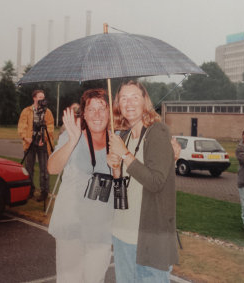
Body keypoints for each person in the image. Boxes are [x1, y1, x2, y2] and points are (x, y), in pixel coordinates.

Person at [107, 80, 179, 283]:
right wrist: (115, 170)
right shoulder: (125, 135)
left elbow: (156, 182)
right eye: (123, 98)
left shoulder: (158, 132)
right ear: (118, 104)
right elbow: (123, 189)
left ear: (145, 101)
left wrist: (125, 154)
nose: (128, 103)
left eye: (134, 97)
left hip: (149, 237)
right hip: (122, 233)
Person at [47, 89, 114, 283]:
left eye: (102, 108)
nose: (97, 114)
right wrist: (72, 141)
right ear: (83, 114)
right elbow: (52, 167)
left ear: (110, 112)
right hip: (71, 223)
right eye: (91, 109)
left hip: (101, 226)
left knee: (95, 279)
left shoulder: (117, 140)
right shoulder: (72, 136)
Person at [17, 89, 54, 202]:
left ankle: (44, 192)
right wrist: (25, 137)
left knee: (44, 169)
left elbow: (50, 126)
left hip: (43, 142)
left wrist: (44, 138)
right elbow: (21, 125)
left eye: (43, 97)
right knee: (29, 168)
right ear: (34, 98)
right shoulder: (26, 111)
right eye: (39, 97)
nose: (42, 99)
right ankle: (29, 190)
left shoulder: (47, 112)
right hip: (30, 141)